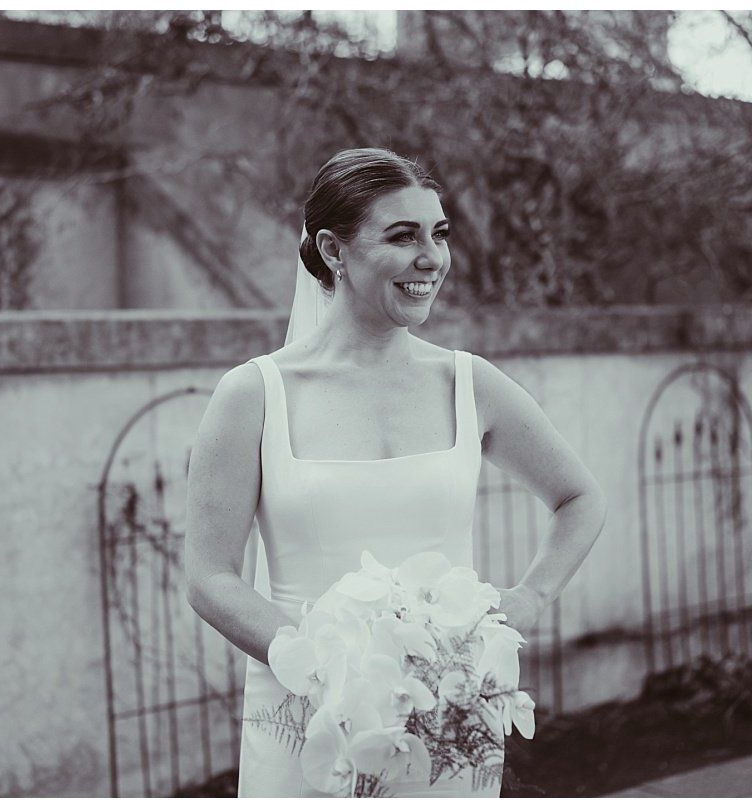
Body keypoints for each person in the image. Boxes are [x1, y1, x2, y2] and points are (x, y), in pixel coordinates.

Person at [184, 147, 606, 797]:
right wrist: (324, 665)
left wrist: (524, 604)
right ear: (334, 250)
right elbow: (209, 575)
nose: (431, 258)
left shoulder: (470, 384)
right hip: (305, 721)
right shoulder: (253, 396)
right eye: (402, 236)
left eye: (438, 234)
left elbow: (579, 499)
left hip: (445, 721)